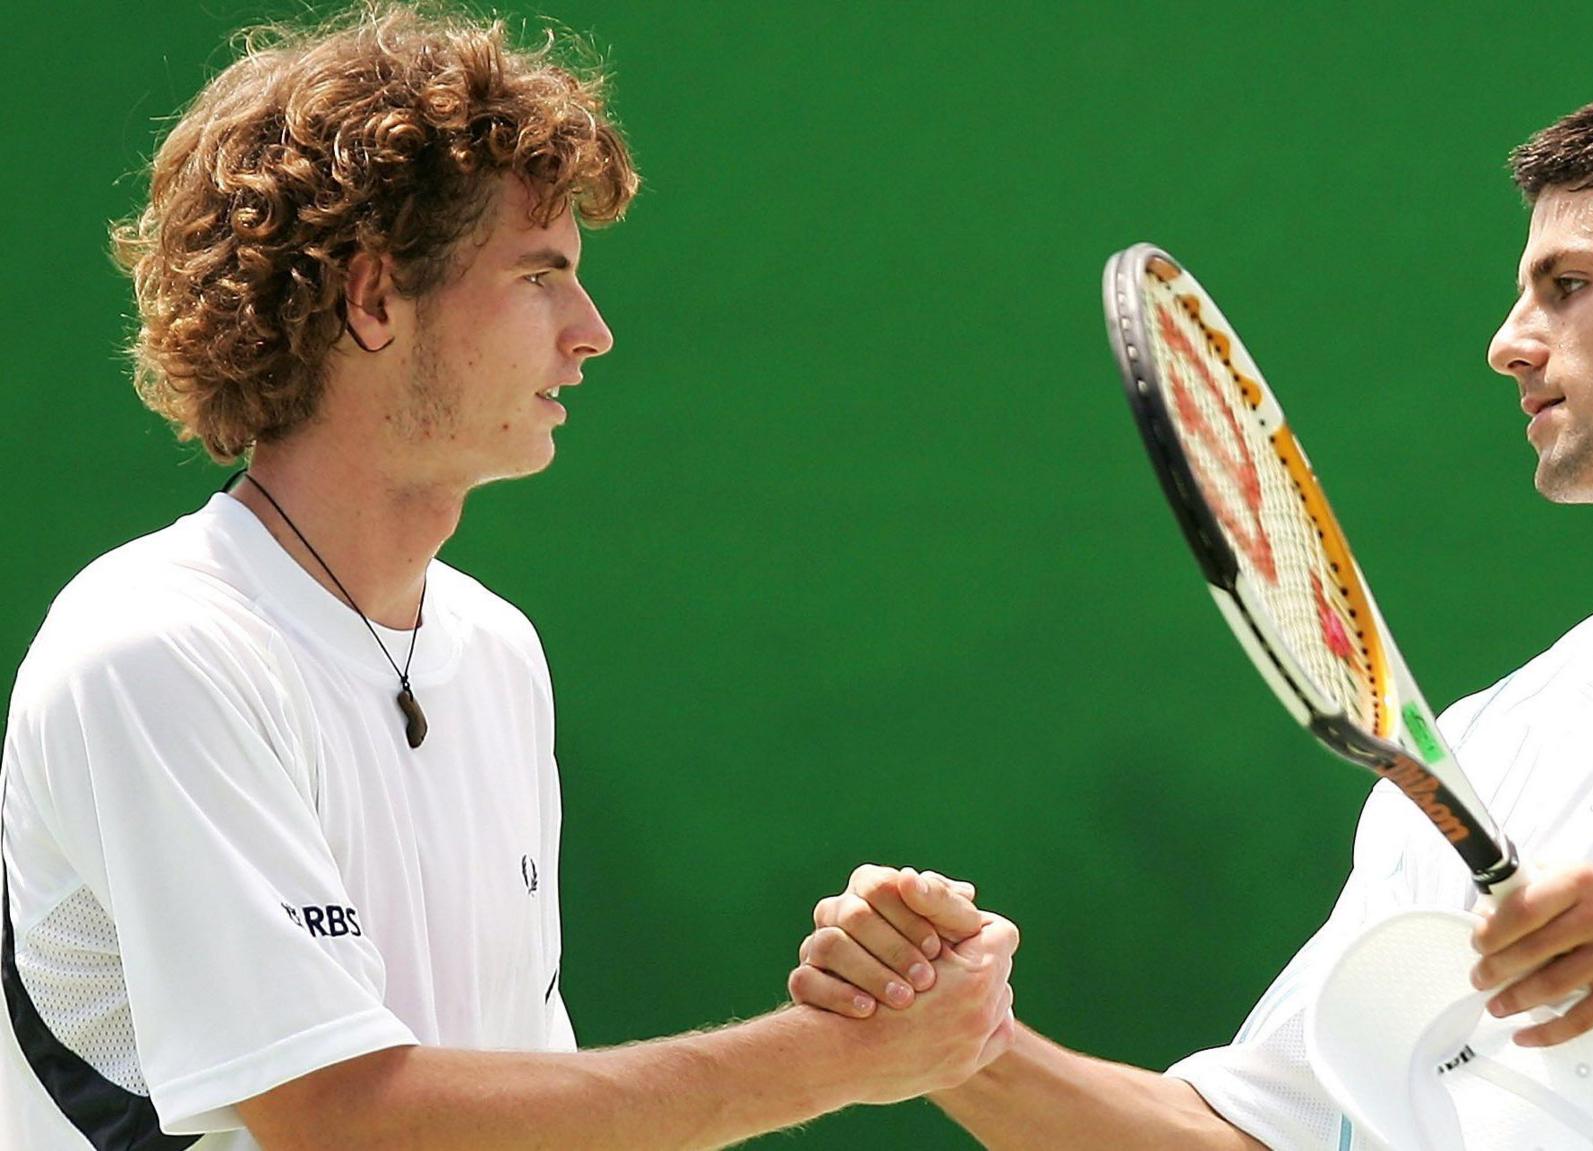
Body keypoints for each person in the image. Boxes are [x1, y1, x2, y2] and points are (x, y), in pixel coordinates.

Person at [790, 84, 1593, 1150]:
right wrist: (962, 1046)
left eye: (1566, 285)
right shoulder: (1475, 750)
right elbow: (1251, 1131)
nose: (1509, 342)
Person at [0, 7, 1017, 1150]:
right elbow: (343, 1119)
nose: (591, 331)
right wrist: (838, 1053)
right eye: (540, 275)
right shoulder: (154, 648)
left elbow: (520, 1106)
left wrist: (883, 990)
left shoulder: (493, 649)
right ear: (374, 297)